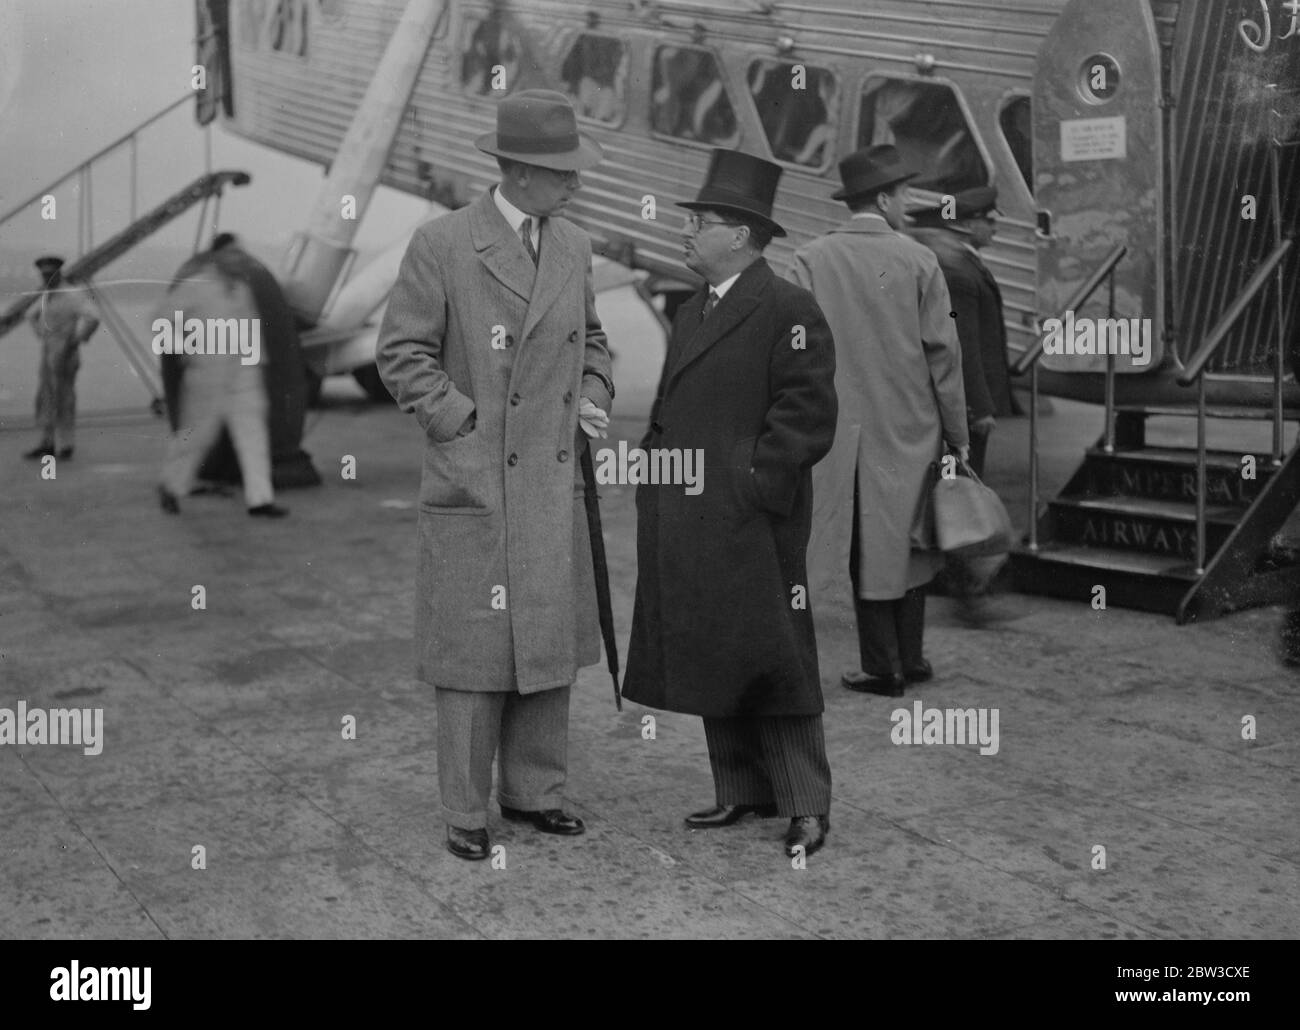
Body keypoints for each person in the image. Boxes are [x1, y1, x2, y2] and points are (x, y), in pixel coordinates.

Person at [376, 90, 614, 862]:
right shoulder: (442, 243)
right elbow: (401, 353)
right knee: (474, 656)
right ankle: (466, 810)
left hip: (550, 478)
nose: (574, 183)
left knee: (546, 642)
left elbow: (598, 342)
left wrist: (593, 394)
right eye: (561, 172)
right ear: (515, 171)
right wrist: (462, 424)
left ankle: (536, 793)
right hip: (476, 481)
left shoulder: (573, 245)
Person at [622, 149, 838, 858]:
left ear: (741, 235)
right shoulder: (691, 309)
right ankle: (741, 791)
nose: (685, 231)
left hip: (752, 519)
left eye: (700, 221)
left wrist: (754, 486)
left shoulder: (788, 307)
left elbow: (806, 416)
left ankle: (806, 805)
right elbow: (668, 407)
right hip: (690, 511)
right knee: (717, 650)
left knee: (777, 658)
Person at [789, 144, 969, 698]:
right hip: (911, 424)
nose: (910, 205)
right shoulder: (921, 260)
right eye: (905, 194)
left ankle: (882, 664)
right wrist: (957, 435)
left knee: (862, 543)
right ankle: (908, 658)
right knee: (908, 539)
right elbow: (944, 354)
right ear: (886, 199)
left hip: (840, 425)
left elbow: (794, 350)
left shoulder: (810, 259)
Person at [157, 253, 287, 518]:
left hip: (243, 376)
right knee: (197, 436)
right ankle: (171, 485)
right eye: (232, 256)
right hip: (208, 377)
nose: (238, 263)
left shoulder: (241, 289)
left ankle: (260, 500)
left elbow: (252, 328)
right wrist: (186, 350)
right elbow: (161, 318)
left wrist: (259, 364)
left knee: (253, 437)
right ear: (218, 259)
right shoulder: (196, 286)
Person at [908, 186, 1014, 479]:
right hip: (965, 404)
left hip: (965, 401)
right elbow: (963, 343)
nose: (995, 227)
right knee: (961, 480)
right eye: (989, 221)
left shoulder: (968, 266)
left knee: (960, 478)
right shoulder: (959, 273)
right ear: (967, 225)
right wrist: (978, 407)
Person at [24, 256, 99, 461]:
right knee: (45, 398)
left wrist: (78, 339)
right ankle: (47, 443)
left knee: (64, 398)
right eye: (44, 274)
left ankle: (65, 444)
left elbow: (93, 317)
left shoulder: (73, 294)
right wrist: (42, 333)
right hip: (48, 351)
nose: (47, 277)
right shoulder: (46, 294)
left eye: (50, 274)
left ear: (59, 273)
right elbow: (30, 315)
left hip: (66, 352)